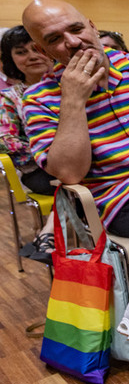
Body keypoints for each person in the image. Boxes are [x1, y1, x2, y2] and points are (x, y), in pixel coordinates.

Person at [22, 0, 129, 345]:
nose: (72, 42)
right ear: (42, 50)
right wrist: (72, 100)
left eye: (76, 29)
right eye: (55, 39)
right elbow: (69, 172)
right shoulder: (39, 99)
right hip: (123, 202)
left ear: (93, 25)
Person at [0, 26, 56, 261]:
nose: (32, 56)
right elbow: (8, 142)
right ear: (11, 60)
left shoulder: (68, 85)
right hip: (40, 170)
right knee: (76, 180)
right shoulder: (10, 98)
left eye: (37, 49)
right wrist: (52, 151)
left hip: (80, 162)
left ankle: (47, 233)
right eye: (21, 52)